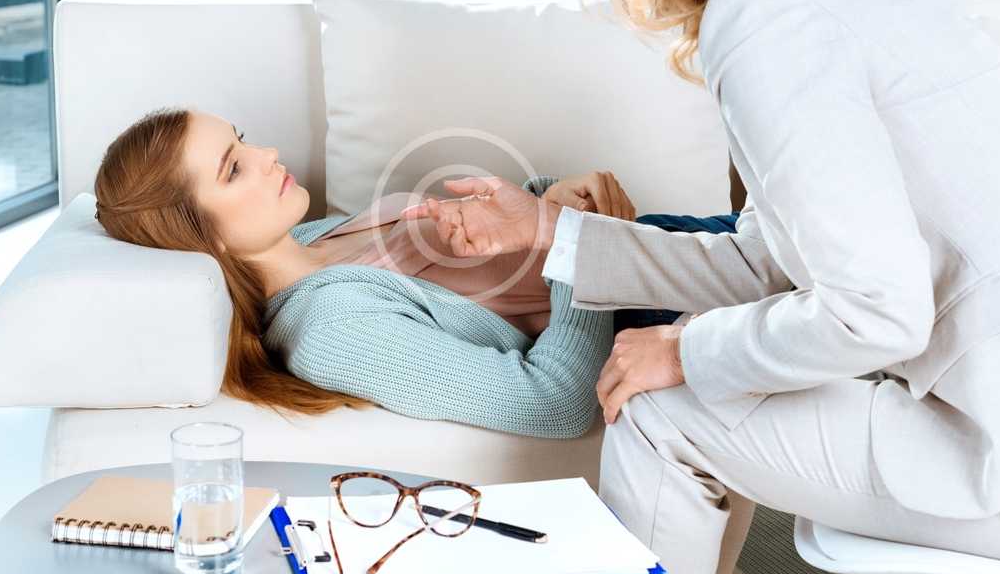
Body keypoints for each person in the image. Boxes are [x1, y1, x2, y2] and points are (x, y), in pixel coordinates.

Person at [401, 0, 1000, 574]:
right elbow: (768, 263)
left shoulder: (762, 14)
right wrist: (547, 230)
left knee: (658, 413)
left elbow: (875, 311)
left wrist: (683, 350)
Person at [92, 107, 637, 439]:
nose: (268, 154)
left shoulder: (312, 237)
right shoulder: (332, 331)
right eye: (234, 168)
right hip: (652, 311)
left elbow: (501, 255)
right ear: (202, 238)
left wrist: (549, 202)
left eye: (243, 139)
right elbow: (554, 404)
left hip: (647, 245)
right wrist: (584, 248)